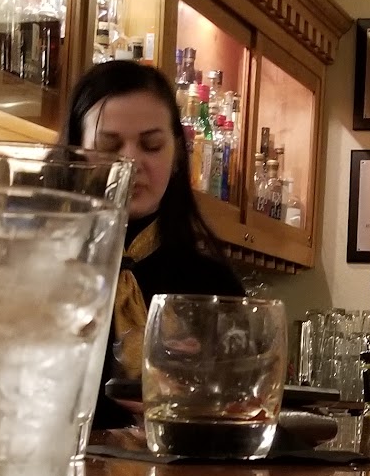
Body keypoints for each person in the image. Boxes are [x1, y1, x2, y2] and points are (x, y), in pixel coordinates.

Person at [65, 60, 243, 429]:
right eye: (109, 146)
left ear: (177, 155)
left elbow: (244, 415)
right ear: (74, 157)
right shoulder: (39, 272)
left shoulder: (214, 290)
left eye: (152, 145)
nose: (131, 161)